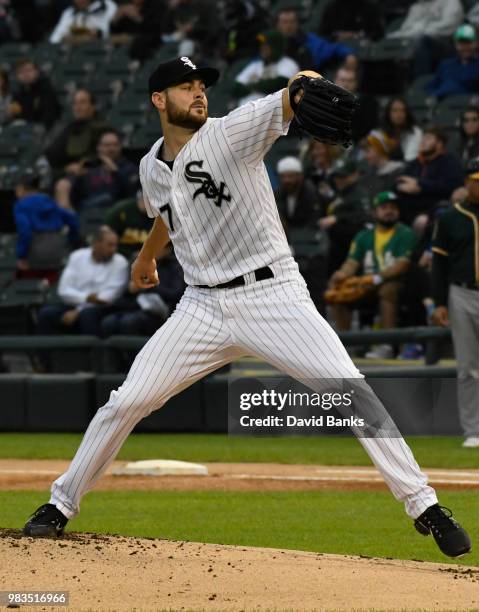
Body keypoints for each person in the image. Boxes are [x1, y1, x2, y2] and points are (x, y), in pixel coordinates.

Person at [23, 56, 471, 560]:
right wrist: (147, 255)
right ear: (157, 100)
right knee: (125, 402)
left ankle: (424, 505)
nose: (198, 93)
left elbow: (292, 92)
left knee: (352, 394)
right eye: (185, 86)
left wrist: (306, 83)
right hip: (200, 307)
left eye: (201, 85)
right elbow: (166, 212)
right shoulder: (151, 166)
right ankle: (59, 504)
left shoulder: (232, 132)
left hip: (272, 296)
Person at [329, 192, 416, 358]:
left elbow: (402, 265)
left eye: (393, 208)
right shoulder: (364, 236)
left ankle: (386, 345)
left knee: (387, 290)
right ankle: (345, 347)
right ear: (375, 212)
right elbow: (352, 262)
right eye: (384, 208)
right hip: (366, 283)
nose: (389, 211)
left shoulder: (405, 233)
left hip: (396, 282)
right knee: (338, 293)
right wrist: (341, 274)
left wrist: (377, 278)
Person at [431, 157, 479, 448]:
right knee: (469, 365)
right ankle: (473, 429)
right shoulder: (450, 217)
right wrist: (438, 302)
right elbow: (438, 264)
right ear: (467, 183)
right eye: (475, 181)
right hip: (462, 292)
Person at [36, 225, 128, 339]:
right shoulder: (77, 256)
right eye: (109, 245)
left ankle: (94, 355)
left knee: (88, 314)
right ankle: (45, 357)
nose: (114, 250)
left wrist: (78, 311)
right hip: (74, 304)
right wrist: (86, 298)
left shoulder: (120, 262)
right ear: (96, 243)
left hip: (104, 309)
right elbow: (64, 290)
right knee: (46, 313)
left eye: (115, 245)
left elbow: (107, 298)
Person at [101, 244, 185, 336]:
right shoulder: (140, 262)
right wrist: (131, 289)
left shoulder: (175, 266)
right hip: (134, 306)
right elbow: (127, 292)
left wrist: (150, 286)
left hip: (159, 311)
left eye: (158, 247)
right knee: (108, 322)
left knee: (129, 322)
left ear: (168, 250)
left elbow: (176, 294)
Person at [14, 172, 79, 282]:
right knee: (53, 280)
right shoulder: (49, 201)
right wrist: (73, 239)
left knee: (25, 282)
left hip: (35, 246)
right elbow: (72, 219)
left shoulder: (22, 205)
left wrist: (22, 255)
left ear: (21, 189)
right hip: (56, 246)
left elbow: (25, 231)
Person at [396, 126, 464, 230]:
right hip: (408, 209)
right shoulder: (416, 162)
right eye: (423, 138)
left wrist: (420, 185)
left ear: (439, 144)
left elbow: (450, 186)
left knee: (422, 222)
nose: (423, 141)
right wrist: (401, 186)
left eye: (428, 138)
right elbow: (400, 180)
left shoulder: (449, 161)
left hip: (433, 209)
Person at [69, 129, 138, 210]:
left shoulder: (130, 168)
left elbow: (132, 193)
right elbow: (75, 200)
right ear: (98, 147)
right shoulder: (90, 168)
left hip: (117, 213)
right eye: (107, 145)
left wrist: (116, 172)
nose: (111, 148)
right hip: (90, 214)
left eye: (115, 145)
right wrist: (78, 179)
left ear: (120, 147)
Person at [322, 157, 369, 275]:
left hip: (351, 245)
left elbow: (364, 216)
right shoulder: (340, 192)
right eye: (336, 177)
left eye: (342, 177)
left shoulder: (359, 193)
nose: (338, 180)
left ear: (354, 175)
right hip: (336, 246)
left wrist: (338, 218)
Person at [276, 7, 357, 73]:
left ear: (298, 23)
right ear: (278, 24)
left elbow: (334, 48)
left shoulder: (311, 42)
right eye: (285, 22)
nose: (288, 26)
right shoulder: (269, 41)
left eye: (292, 22)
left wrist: (348, 55)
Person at [233, 30, 299, 105]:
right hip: (246, 112)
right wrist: (262, 84)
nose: (262, 48)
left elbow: (279, 85)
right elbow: (236, 88)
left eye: (266, 45)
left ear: (276, 46)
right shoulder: (255, 66)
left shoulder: (288, 63)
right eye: (262, 45)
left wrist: (252, 85)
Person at [426, 24, 479, 99]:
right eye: (461, 43)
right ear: (456, 44)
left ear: (477, 43)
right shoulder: (445, 64)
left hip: (465, 104)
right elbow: (432, 86)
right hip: (440, 104)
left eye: (468, 43)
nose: (465, 47)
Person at [9, 58, 61, 128]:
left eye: (28, 70)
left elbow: (49, 116)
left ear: (36, 72)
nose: (25, 74)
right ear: (17, 76)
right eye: (21, 72)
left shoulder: (46, 89)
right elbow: (15, 116)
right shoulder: (17, 94)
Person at [274, 156, 320, 230]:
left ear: (300, 176)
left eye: (290, 176)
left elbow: (313, 220)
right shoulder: (277, 194)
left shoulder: (311, 193)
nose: (287, 180)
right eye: (283, 176)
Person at [334, 67, 379, 142]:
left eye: (350, 81)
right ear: (335, 81)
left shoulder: (368, 103)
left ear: (356, 83)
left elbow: (368, 129)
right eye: (342, 80)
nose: (346, 84)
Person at [105, 189, 153, 259]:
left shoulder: (161, 214)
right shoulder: (122, 210)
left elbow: (167, 247)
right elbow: (105, 233)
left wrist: (146, 258)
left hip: (149, 259)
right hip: (118, 256)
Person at [387, 0, 463, 39]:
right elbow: (405, 29)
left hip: (445, 42)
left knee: (420, 40)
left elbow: (449, 25)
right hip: (413, 41)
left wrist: (422, 30)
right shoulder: (416, 7)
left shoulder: (450, 2)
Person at [49, 0, 118, 43]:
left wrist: (93, 35)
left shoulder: (107, 5)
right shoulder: (69, 12)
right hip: (75, 52)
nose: (80, 1)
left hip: (101, 50)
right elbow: (55, 38)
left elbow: (106, 33)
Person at [362, 130, 405, 196]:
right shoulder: (370, 175)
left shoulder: (399, 171)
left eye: (368, 151)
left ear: (379, 149)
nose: (365, 156)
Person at [318, 0, 384, 43]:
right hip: (337, 50)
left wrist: (358, 36)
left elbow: (378, 33)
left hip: (363, 48)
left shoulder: (371, 8)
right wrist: (337, 36)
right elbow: (322, 34)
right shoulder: (332, 8)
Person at [382, 97, 423, 162]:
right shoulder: (381, 132)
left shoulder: (415, 132)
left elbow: (410, 159)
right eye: (395, 110)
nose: (399, 114)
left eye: (402, 111)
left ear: (407, 114)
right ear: (388, 114)